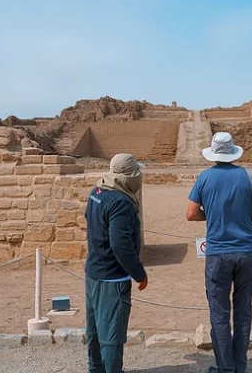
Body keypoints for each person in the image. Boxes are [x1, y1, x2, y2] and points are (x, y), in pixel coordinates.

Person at [186, 132, 252, 373]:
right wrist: (245, 209)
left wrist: (211, 214)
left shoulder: (205, 178)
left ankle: (226, 368)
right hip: (246, 252)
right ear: (233, 152)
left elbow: (191, 214)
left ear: (213, 153)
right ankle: (240, 366)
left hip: (218, 253)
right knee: (243, 312)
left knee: (220, 315)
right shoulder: (248, 176)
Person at [84, 153, 148, 373]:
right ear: (130, 176)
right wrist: (139, 273)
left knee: (95, 329)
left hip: (94, 271)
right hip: (112, 276)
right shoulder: (120, 202)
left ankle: (96, 368)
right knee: (111, 335)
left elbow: (89, 219)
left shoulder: (97, 192)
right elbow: (120, 244)